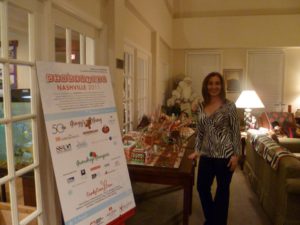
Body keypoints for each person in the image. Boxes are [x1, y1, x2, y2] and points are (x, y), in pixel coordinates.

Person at [188, 72, 241, 225]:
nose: (213, 86)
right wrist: (197, 150)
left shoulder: (229, 106)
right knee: (202, 188)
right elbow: (200, 131)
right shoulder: (201, 106)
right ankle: (213, 220)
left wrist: (236, 155)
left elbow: (235, 131)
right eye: (210, 83)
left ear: (221, 86)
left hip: (225, 156)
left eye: (217, 83)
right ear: (206, 85)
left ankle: (218, 222)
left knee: (222, 192)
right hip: (206, 155)